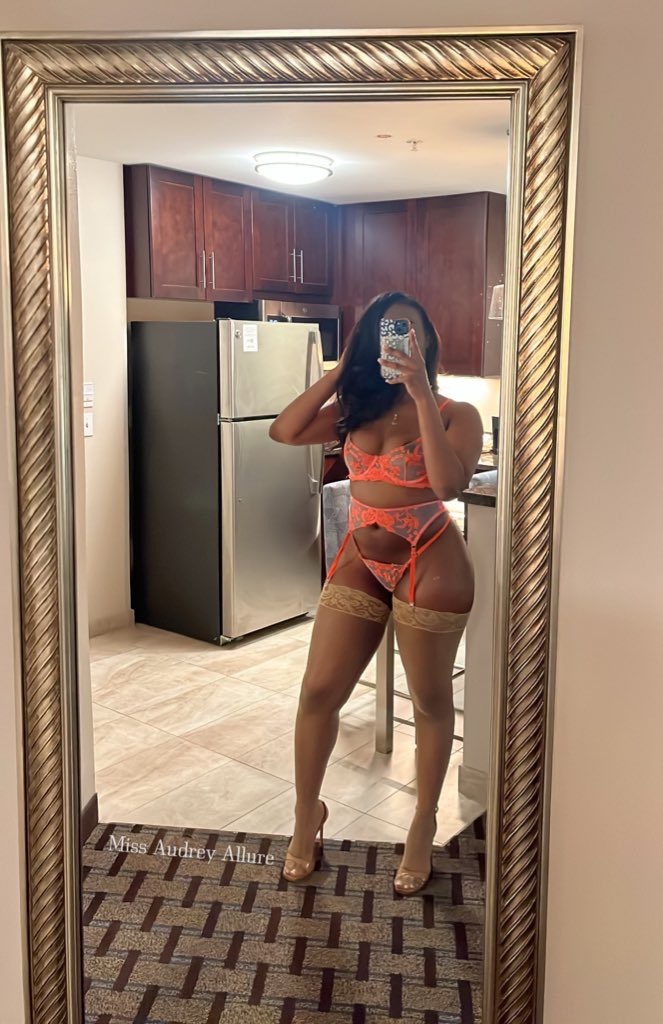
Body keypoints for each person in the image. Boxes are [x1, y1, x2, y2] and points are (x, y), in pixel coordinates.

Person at [269, 291, 483, 895]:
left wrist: (419, 392)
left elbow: (449, 484)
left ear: (427, 342)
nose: (397, 342)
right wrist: (340, 370)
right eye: (385, 332)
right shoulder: (353, 410)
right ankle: (306, 815)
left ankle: (422, 822)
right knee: (318, 691)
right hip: (361, 556)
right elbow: (284, 430)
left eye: (408, 331)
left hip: (430, 555)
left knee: (430, 702)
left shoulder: (455, 412)